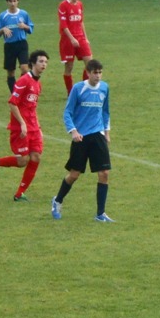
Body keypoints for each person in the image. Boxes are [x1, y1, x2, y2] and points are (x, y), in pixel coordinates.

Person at [0, 50, 50, 202]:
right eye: (41, 61)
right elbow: (12, 103)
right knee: (22, 161)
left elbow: (32, 107)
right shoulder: (24, 80)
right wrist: (23, 124)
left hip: (33, 127)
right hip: (20, 128)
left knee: (36, 157)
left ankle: (19, 194)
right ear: (32, 63)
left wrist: (37, 127)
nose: (44, 65)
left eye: (45, 62)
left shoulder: (38, 84)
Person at [51, 58, 113, 222]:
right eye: (95, 73)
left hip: (97, 134)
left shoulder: (104, 88)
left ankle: (100, 214)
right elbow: (67, 112)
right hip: (81, 137)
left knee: (104, 173)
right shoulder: (78, 89)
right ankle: (57, 200)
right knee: (74, 174)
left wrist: (106, 132)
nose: (98, 76)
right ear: (88, 73)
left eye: (100, 72)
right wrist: (73, 131)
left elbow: (106, 112)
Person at [0, 0, 35, 94]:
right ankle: (14, 94)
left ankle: (21, 89)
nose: (12, 3)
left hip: (21, 44)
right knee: (11, 72)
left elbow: (30, 28)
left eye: (14, 1)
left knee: (25, 69)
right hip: (9, 46)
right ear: (7, 2)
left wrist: (24, 26)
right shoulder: (3, 16)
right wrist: (3, 29)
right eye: (10, 1)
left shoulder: (23, 14)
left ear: (18, 1)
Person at [58, 0, 93, 94]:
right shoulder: (63, 5)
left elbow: (81, 22)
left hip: (81, 37)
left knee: (90, 63)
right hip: (68, 40)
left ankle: (84, 89)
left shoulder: (80, 5)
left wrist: (86, 38)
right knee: (69, 67)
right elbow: (63, 26)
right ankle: (70, 92)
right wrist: (72, 39)